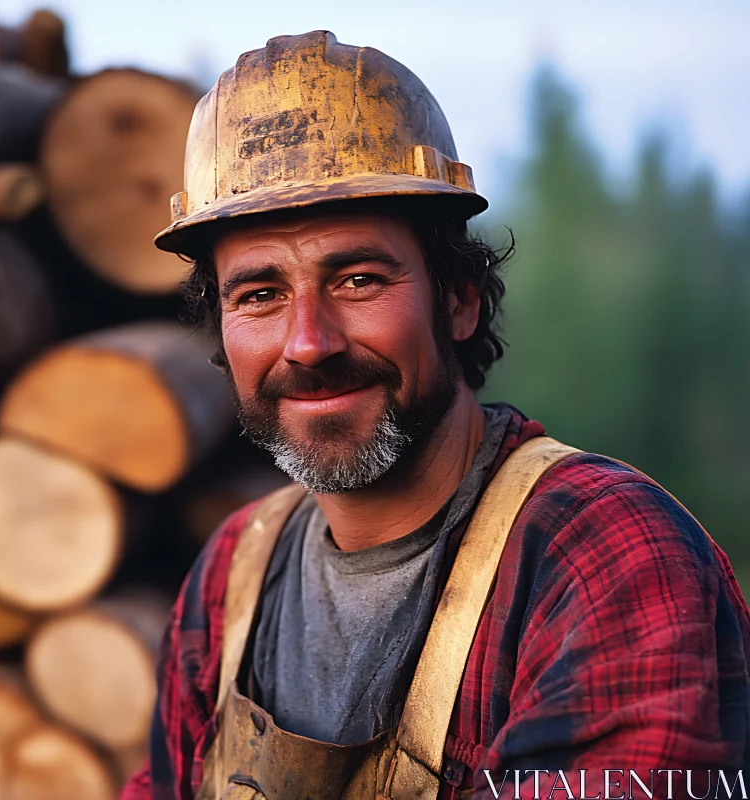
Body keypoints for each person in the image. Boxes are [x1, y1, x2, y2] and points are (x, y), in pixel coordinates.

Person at [122, 31, 750, 800]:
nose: (308, 342)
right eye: (258, 295)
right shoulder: (231, 576)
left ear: (457, 300)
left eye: (357, 279)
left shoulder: (605, 556)